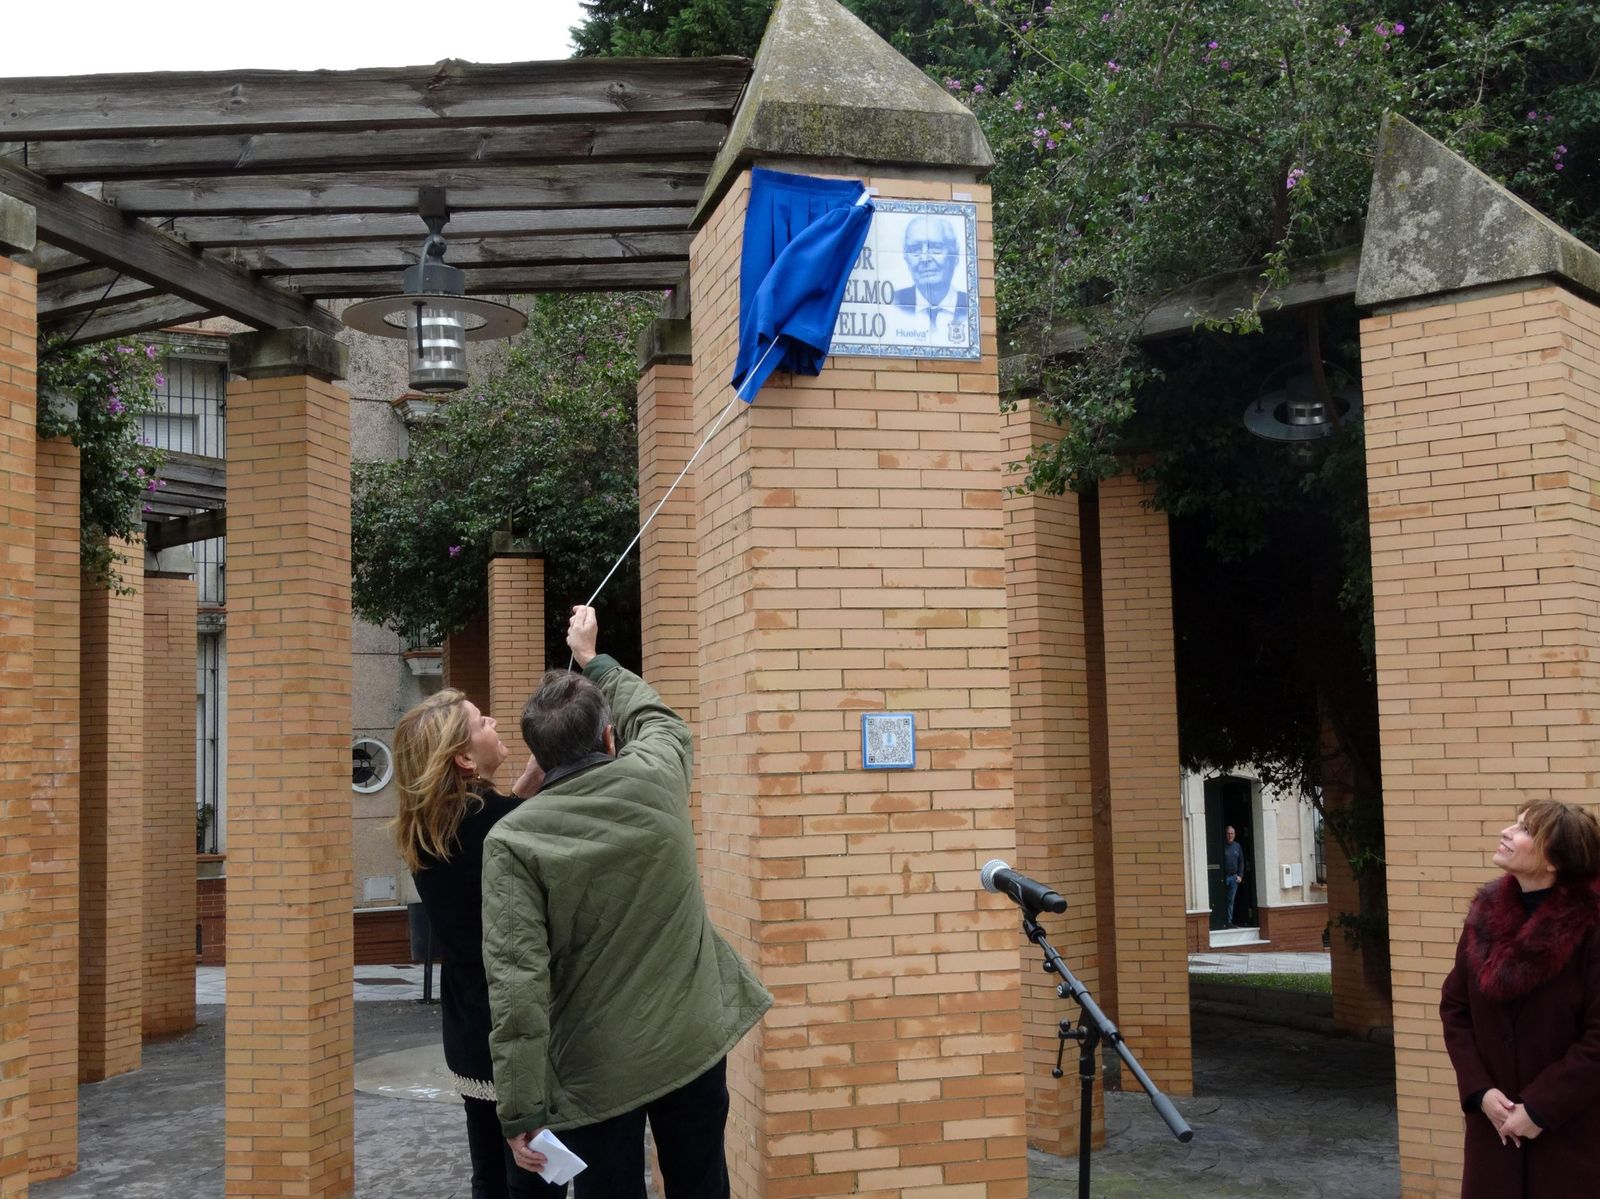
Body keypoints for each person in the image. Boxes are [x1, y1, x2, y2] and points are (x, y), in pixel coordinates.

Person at [483, 606, 773, 1199]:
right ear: (610, 737)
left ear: (539, 762)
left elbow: (518, 984)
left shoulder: (511, 840)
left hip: (595, 1071)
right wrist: (594, 657)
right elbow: (657, 715)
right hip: (692, 1045)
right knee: (702, 1184)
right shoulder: (656, 776)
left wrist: (520, 1110)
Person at [391, 690, 564, 1199]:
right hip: (513, 1028)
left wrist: (528, 781)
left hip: (469, 1028)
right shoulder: (496, 826)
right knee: (535, 1174)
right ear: (464, 759)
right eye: (480, 720)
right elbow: (509, 828)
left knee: (490, 1170)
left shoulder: (431, 827)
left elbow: (496, 818)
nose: (492, 720)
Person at [1440, 800, 1600, 1199]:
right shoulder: (1486, 914)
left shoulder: (1592, 927)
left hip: (1570, 1133)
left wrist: (1539, 1108)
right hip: (1493, 1132)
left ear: (1554, 860)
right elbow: (1456, 1008)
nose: (1507, 832)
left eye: (1525, 829)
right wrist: (1480, 1092)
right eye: (1514, 823)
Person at [891, 215, 969, 336]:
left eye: (936, 248)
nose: (925, 258)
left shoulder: (970, 305)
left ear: (955, 255)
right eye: (915, 249)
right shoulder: (893, 303)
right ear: (906, 258)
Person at [1221, 825, 1245, 928]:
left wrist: (1240, 875)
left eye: (1232, 834)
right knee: (1222, 899)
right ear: (1225, 835)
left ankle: (1229, 921)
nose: (1230, 835)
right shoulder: (1221, 845)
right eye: (1228, 833)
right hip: (1223, 877)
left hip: (1233, 877)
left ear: (1234, 835)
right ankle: (1221, 922)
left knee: (1231, 900)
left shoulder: (1237, 846)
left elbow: (1241, 862)